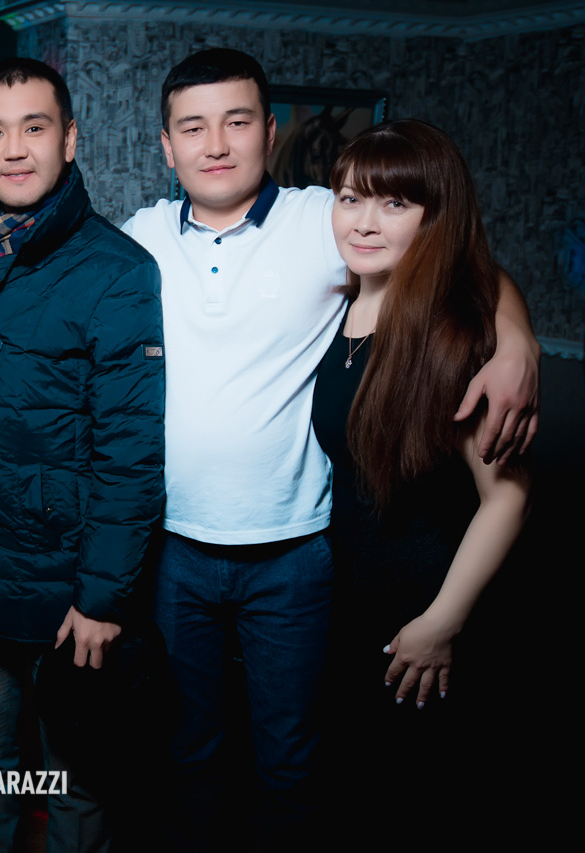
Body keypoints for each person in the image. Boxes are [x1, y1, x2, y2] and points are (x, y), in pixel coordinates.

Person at [120, 48, 540, 850]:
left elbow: (459, 259)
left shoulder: (328, 219)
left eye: (237, 121)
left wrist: (517, 342)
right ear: (166, 147)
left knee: (294, 756)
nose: (217, 144)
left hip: (298, 550)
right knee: (188, 746)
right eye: (193, 127)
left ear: (269, 133)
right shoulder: (138, 238)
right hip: (173, 547)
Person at [0, 57, 164, 852]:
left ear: (70, 139)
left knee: (77, 774)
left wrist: (102, 597)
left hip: (69, 587)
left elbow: (130, 451)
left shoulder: (118, 269)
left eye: (35, 127)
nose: (15, 148)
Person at [312, 119, 530, 836]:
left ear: (435, 216)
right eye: (350, 198)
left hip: (428, 613)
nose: (364, 222)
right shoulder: (334, 304)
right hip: (347, 606)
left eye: (395, 203)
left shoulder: (457, 334)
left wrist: (442, 621)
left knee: (419, 807)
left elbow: (508, 495)